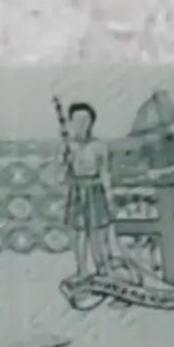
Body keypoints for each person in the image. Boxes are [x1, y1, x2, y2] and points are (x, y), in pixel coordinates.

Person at [62, 102, 114, 280]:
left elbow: (105, 172)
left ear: (91, 122)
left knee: (98, 233)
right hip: (77, 192)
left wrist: (109, 195)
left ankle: (103, 270)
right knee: (78, 233)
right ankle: (82, 270)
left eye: (85, 120)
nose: (81, 124)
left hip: (95, 190)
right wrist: (66, 159)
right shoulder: (68, 145)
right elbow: (59, 174)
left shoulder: (99, 146)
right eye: (77, 120)